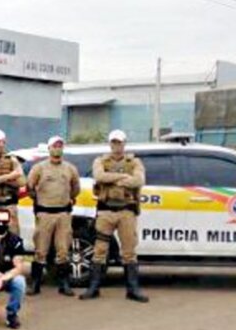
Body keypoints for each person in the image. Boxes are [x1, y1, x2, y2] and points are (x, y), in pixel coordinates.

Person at [81, 129, 149, 302]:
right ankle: (94, 287)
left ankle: (132, 289)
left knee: (129, 251)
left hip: (127, 211)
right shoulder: (100, 160)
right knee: (100, 250)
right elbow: (99, 176)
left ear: (124, 143)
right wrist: (122, 177)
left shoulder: (134, 162)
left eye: (119, 142)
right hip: (106, 211)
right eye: (113, 142)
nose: (116, 146)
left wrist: (111, 179)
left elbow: (139, 180)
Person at [27, 135, 80, 296]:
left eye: (60, 146)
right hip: (45, 213)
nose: (57, 148)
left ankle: (63, 284)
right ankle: (35, 283)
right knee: (41, 250)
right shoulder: (39, 168)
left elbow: (75, 189)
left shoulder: (70, 168)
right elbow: (30, 187)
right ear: (49, 148)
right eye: (54, 146)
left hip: (63, 213)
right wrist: (39, 201)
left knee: (63, 250)